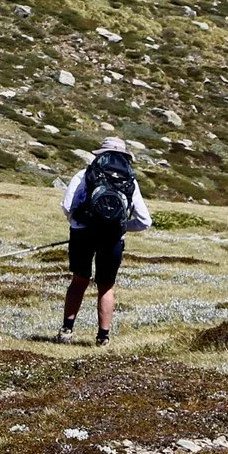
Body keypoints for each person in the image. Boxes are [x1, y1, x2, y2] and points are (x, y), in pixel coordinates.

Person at [59, 136, 152, 345]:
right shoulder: (130, 181)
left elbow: (67, 206)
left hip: (82, 234)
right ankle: (103, 337)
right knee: (106, 286)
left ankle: (67, 330)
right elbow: (145, 221)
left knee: (79, 281)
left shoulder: (84, 175)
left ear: (100, 155)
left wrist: (82, 223)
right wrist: (120, 227)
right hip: (112, 239)